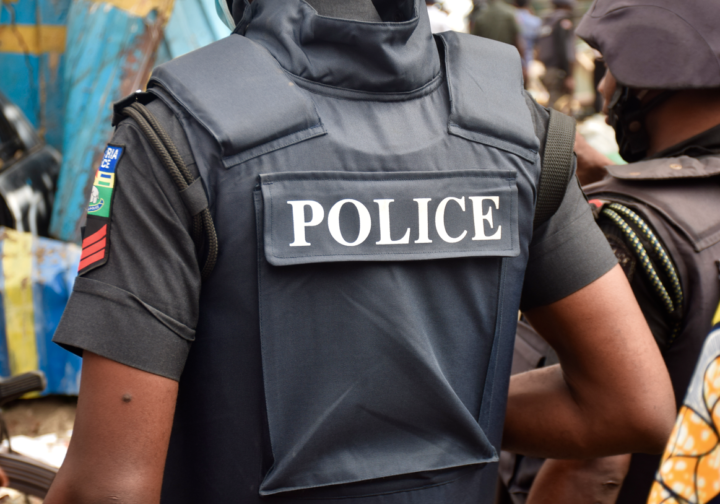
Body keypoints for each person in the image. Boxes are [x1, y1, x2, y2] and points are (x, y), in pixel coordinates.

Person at [44, 0, 675, 503]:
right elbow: (630, 406)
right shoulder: (512, 128)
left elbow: (108, 489)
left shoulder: (176, 136)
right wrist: (436, 416)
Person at [520, 0, 720, 502]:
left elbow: (593, 471)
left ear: (647, 84)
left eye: (608, 67)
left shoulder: (632, 227)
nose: (606, 87)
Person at [536, 0, 575, 109]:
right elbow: (563, 48)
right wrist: (568, 75)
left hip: (548, 69)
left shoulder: (548, 20)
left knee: (554, 102)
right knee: (558, 105)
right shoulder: (563, 20)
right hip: (560, 71)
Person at [513, 0, 541, 82]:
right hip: (529, 59)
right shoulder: (535, 21)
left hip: (511, 58)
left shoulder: (510, 17)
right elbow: (538, 44)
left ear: (514, 3)